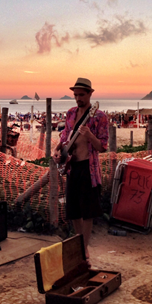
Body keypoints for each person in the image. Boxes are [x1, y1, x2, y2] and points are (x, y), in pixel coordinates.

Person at [54, 78, 108, 264]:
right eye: (76, 95)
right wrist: (57, 150)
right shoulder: (70, 113)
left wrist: (90, 136)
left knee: (88, 210)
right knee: (74, 210)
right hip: (71, 167)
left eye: (82, 95)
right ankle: (79, 242)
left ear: (90, 94)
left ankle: (84, 248)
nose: (78, 98)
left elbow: (103, 146)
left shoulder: (99, 116)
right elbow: (64, 137)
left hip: (88, 167)